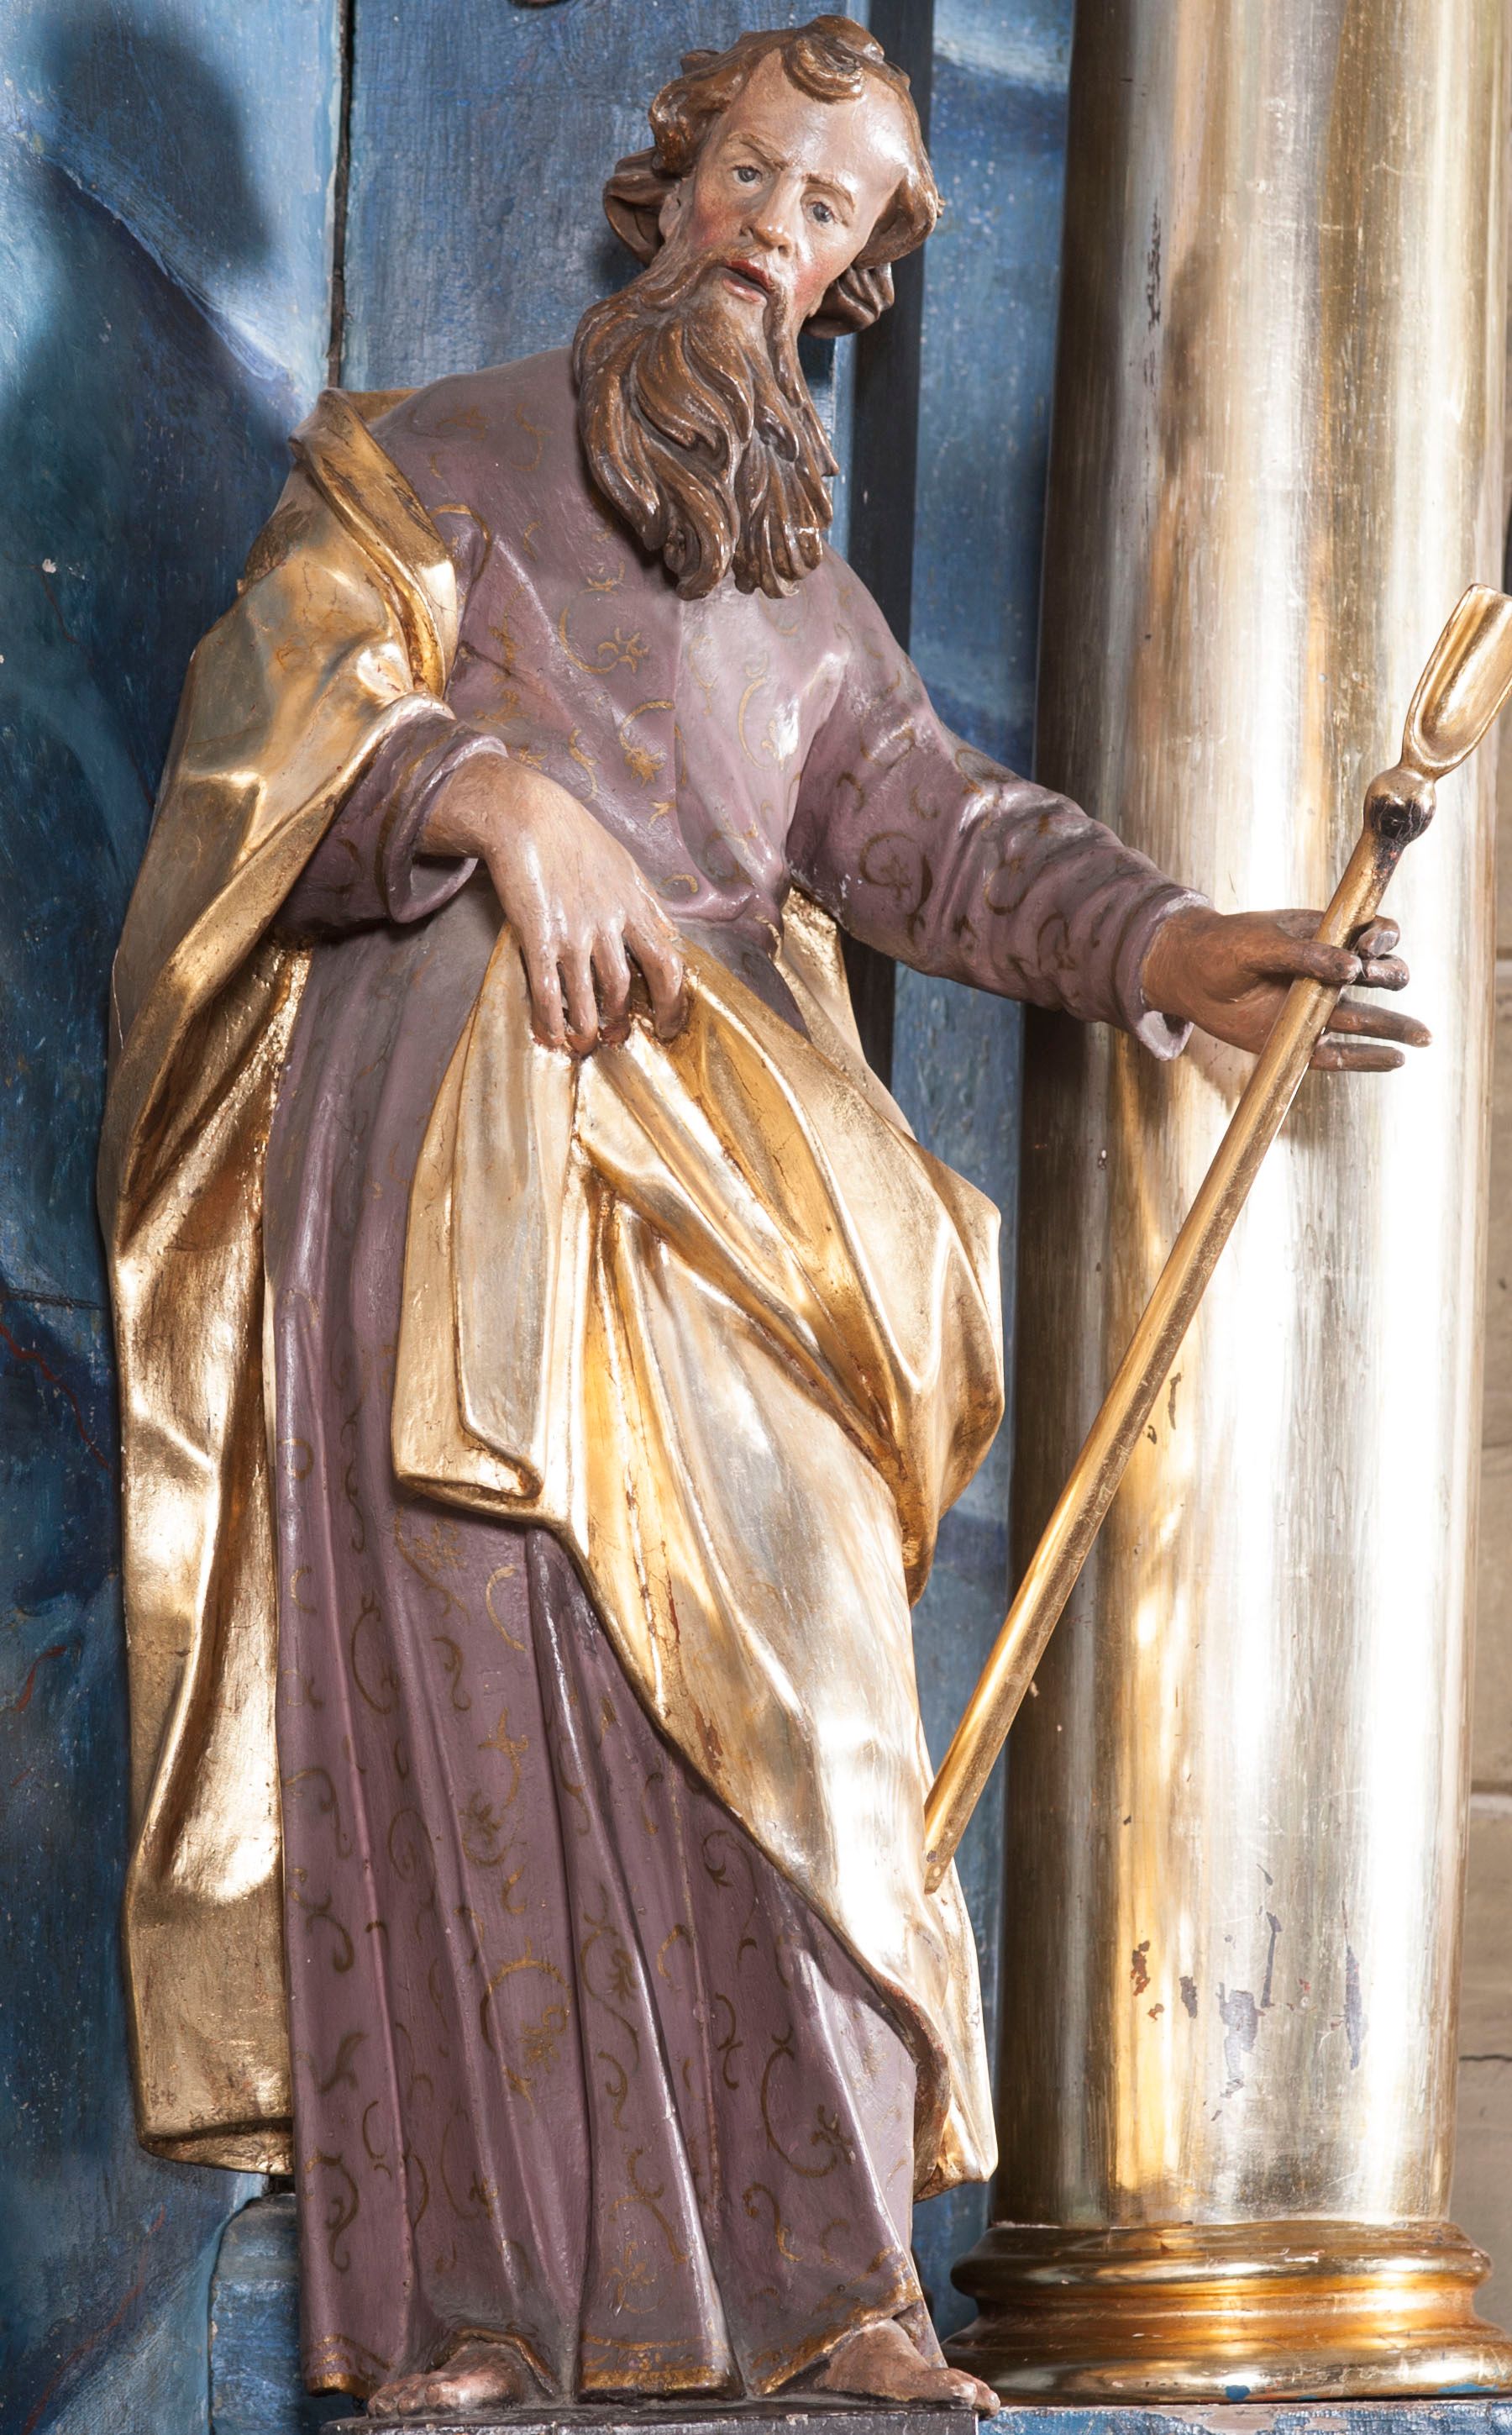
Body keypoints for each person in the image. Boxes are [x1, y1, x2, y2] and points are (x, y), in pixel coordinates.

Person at [99, 18, 1423, 2420]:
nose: (767, 230)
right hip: (444, 1185)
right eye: (748, 173)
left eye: (827, 211)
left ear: (852, 279)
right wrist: (488, 792)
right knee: (472, 1715)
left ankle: (831, 2292)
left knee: (807, 1703)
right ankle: (482, 2317)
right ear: (671, 180)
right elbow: (262, 743)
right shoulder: (421, 464)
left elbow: (937, 828)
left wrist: (1167, 944)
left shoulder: (803, 596)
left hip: (742, 1205)